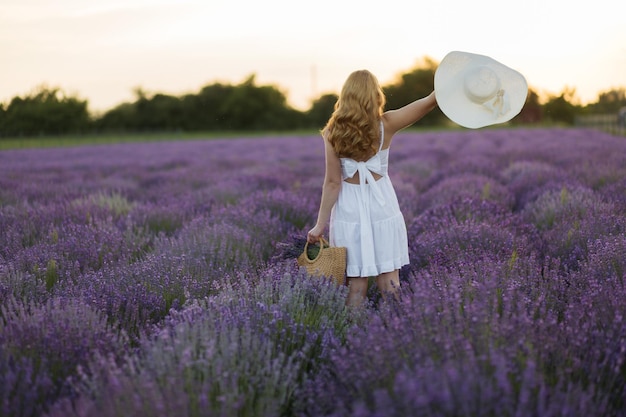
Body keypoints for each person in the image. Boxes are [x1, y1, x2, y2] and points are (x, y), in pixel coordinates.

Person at [307, 69, 437, 306]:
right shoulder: (386, 124)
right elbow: (428, 102)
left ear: (346, 96)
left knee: (356, 283)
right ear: (375, 95)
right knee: (390, 279)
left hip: (349, 210)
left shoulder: (332, 132)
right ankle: (394, 330)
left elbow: (333, 183)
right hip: (382, 205)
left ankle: (354, 337)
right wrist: (451, 85)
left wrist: (319, 225)